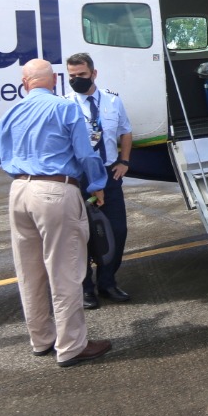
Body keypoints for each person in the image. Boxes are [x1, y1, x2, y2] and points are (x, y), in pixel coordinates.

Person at [0, 60, 112, 367]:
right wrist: (97, 184)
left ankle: (41, 339)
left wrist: (21, 165)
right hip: (55, 190)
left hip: (19, 191)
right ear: (54, 79)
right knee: (65, 270)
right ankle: (71, 346)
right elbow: (85, 154)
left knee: (29, 272)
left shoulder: (12, 111)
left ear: (24, 83)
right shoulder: (65, 108)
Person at [65, 53, 133, 310]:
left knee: (117, 231)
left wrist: (124, 161)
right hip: (80, 178)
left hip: (109, 175)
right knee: (80, 236)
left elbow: (126, 131)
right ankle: (85, 289)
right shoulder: (65, 105)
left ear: (94, 74)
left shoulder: (113, 101)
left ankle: (107, 282)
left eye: (81, 75)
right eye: (72, 76)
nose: (76, 80)